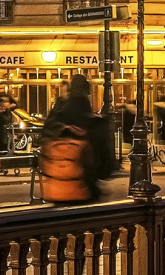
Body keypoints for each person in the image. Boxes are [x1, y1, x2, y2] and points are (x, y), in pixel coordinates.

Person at [40, 74, 115, 203]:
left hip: (54, 191)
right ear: (88, 92)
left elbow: (43, 147)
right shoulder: (94, 123)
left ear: (69, 91)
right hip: (83, 191)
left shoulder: (55, 120)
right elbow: (106, 168)